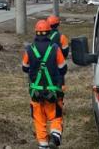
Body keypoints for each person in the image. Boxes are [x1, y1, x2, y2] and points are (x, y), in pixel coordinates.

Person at [22, 20, 68, 149]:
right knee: (55, 117)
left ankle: (43, 145)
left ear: (36, 33)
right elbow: (63, 68)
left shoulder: (29, 48)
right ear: (49, 32)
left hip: (35, 92)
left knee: (39, 119)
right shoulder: (55, 48)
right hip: (52, 91)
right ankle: (55, 136)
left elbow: (24, 68)